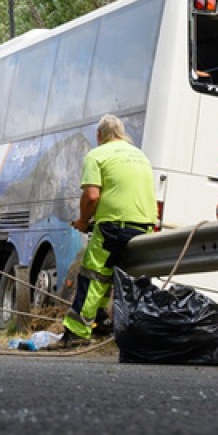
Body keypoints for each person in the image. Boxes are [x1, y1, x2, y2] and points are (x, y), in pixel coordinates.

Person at [62, 114, 157, 342]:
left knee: (93, 276)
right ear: (122, 134)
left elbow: (92, 196)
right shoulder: (141, 156)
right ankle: (119, 328)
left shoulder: (97, 155)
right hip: (145, 228)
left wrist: (84, 221)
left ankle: (77, 332)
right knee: (134, 282)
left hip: (113, 227)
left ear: (99, 136)